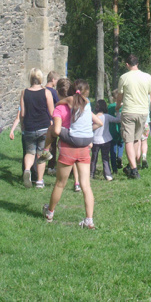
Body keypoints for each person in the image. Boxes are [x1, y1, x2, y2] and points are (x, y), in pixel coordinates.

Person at [42, 80, 102, 229]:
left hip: (69, 147)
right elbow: (98, 122)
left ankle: (50, 213)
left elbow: (59, 107)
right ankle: (89, 220)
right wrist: (87, 132)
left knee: (60, 184)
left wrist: (58, 104)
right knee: (86, 185)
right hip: (84, 147)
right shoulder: (87, 104)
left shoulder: (64, 105)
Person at [9, 68, 54, 189]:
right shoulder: (46, 92)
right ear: (40, 78)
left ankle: (27, 170)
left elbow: (22, 113)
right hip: (43, 127)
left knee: (30, 152)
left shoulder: (24, 92)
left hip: (29, 127)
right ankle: (39, 181)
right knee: (41, 154)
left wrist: (23, 126)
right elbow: (52, 112)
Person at [116, 54, 151, 179]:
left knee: (128, 141)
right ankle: (132, 166)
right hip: (143, 113)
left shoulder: (124, 77)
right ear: (137, 63)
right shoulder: (147, 77)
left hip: (129, 112)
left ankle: (134, 170)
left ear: (127, 64)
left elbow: (119, 97)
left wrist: (117, 107)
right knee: (136, 139)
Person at [90, 99, 121, 181]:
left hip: (95, 140)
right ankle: (108, 174)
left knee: (94, 158)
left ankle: (91, 174)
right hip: (106, 140)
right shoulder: (107, 116)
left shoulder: (93, 117)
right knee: (105, 158)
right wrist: (117, 111)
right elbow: (118, 120)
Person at [44, 71, 60, 176]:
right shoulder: (53, 92)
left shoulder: (42, 90)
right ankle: (51, 166)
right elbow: (58, 103)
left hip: (42, 120)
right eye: (57, 80)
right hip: (51, 119)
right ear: (53, 80)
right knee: (52, 144)